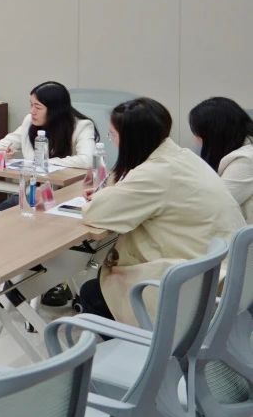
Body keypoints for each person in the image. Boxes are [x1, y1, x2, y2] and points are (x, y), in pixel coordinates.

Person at [79, 98, 243, 325]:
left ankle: (135, 347)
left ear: (131, 140)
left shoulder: (156, 173)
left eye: (112, 135)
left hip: (193, 285)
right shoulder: (181, 156)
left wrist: (100, 196)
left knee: (93, 292)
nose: (112, 141)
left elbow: (97, 213)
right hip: (220, 273)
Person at [189, 97, 253, 223]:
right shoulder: (240, 150)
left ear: (215, 134)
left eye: (199, 135)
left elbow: (215, 204)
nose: (196, 140)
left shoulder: (246, 159)